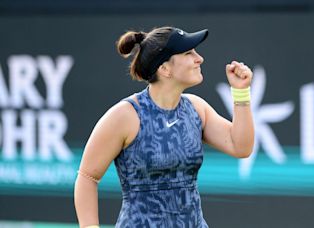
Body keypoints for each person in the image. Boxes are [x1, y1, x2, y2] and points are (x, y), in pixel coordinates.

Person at [74, 26, 255, 228]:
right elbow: (88, 176)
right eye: (188, 53)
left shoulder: (197, 108)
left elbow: (241, 147)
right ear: (164, 68)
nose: (199, 58)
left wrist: (241, 93)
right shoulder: (125, 116)